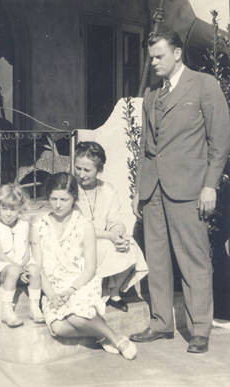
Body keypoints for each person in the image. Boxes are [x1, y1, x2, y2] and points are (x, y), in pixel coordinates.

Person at [130, 30, 230, 353]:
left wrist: (210, 185)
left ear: (176, 53)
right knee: (157, 259)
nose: (154, 62)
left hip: (189, 188)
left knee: (193, 259)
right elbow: (146, 146)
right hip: (153, 190)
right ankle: (161, 323)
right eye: (151, 56)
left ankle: (199, 329)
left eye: (159, 55)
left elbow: (220, 141)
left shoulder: (204, 86)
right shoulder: (150, 96)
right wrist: (138, 192)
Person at [32, 172, 137, 360]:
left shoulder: (84, 225)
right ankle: (101, 333)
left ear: (74, 198)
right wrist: (51, 294)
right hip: (53, 287)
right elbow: (38, 267)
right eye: (53, 198)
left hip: (81, 282)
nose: (57, 204)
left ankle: (116, 338)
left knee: (76, 316)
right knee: (58, 328)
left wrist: (71, 290)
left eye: (64, 199)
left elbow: (90, 268)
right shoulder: (39, 225)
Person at [74, 142, 147, 312]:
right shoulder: (69, 188)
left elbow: (115, 219)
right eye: (78, 168)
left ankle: (114, 293)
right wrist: (110, 236)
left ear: (99, 169)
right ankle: (95, 293)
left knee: (129, 246)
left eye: (87, 170)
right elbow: (77, 226)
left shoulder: (107, 189)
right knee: (105, 245)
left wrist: (118, 233)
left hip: (102, 238)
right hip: (78, 241)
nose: (81, 174)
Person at [0, 183, 44, 327]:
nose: (8, 213)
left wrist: (24, 267)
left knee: (35, 269)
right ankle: (7, 310)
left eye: (13, 209)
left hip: (22, 265)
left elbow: (27, 252)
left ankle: (34, 307)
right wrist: (18, 268)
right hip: (4, 269)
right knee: (13, 270)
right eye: (4, 208)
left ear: (20, 209)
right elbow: (0, 254)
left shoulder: (24, 225)